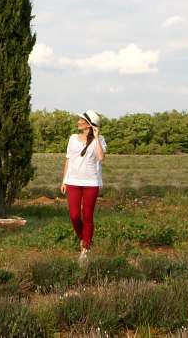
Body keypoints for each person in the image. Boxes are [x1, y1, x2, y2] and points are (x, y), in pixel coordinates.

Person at [60, 110, 106, 262]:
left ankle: (85, 250)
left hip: (91, 183)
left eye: (81, 120)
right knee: (74, 216)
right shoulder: (72, 138)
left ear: (89, 123)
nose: (78, 122)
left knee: (87, 216)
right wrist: (64, 180)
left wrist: (97, 137)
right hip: (73, 182)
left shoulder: (100, 140)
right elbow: (68, 160)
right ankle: (84, 238)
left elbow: (100, 157)